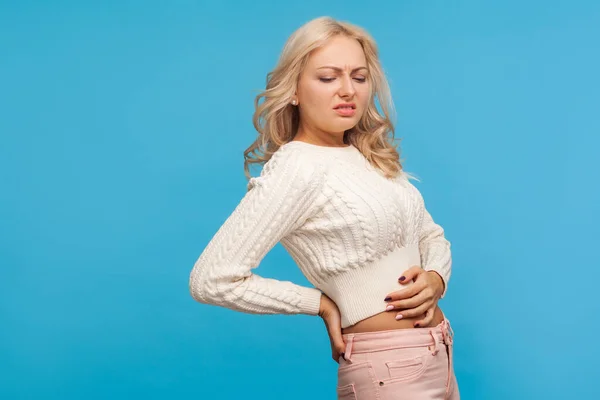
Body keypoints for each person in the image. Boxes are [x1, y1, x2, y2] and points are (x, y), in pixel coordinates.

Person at [188, 16, 460, 400]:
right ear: (295, 89)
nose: (347, 91)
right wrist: (319, 303)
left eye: (359, 78)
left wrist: (435, 278)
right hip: (388, 371)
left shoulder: (369, 156)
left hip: (439, 354)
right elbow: (211, 279)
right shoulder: (297, 167)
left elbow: (431, 234)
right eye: (328, 77)